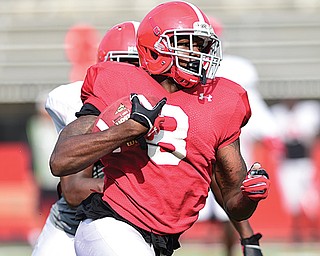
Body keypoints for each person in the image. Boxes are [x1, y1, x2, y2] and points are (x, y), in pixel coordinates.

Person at [50, 2, 270, 256]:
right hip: (109, 224)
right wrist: (125, 130)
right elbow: (60, 162)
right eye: (186, 43)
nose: (197, 52)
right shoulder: (116, 85)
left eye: (200, 44)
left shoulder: (220, 101)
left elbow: (232, 200)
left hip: (161, 241)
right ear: (155, 48)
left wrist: (249, 198)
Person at [31, 21, 140, 256]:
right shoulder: (76, 101)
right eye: (125, 65)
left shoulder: (166, 107)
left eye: (138, 67)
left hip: (133, 230)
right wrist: (138, 191)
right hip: (72, 225)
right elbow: (73, 191)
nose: (130, 75)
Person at [198, 16, 281, 256]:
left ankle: (239, 245)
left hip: (226, 140)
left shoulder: (234, 70)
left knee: (230, 196)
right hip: (186, 140)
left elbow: (249, 105)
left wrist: (270, 132)